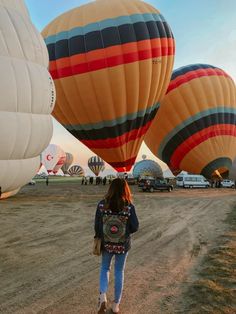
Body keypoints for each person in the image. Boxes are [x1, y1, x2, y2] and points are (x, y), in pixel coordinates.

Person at [94, 178, 139, 314]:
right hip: (122, 245)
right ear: (126, 189)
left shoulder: (102, 205)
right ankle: (116, 305)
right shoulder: (129, 206)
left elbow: (97, 225)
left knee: (105, 268)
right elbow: (135, 226)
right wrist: (124, 233)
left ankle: (102, 297)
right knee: (119, 271)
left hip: (106, 243)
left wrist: (102, 236)